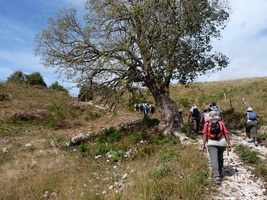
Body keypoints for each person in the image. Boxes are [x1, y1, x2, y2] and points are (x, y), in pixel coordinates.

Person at [202, 111, 231, 184]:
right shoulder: (221, 123)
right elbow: (226, 133)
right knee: (220, 157)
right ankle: (220, 172)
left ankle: (216, 176)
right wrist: (229, 144)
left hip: (211, 143)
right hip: (222, 142)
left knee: (214, 159)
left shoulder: (207, 123)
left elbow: (205, 134)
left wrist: (203, 144)